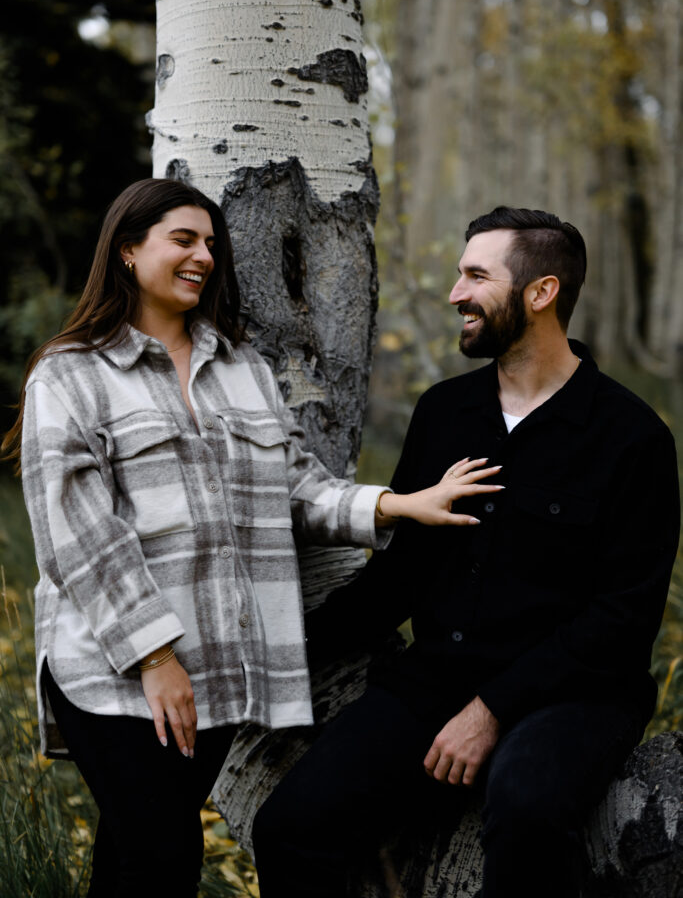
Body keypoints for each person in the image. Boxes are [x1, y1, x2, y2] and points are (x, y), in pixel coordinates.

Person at [1, 178, 503, 897]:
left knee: (134, 857)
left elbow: (298, 489)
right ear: (126, 250)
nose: (204, 254)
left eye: (210, 242)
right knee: (161, 859)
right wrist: (153, 655)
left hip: (219, 670)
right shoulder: (72, 373)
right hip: (114, 671)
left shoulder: (243, 372)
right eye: (183, 238)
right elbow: (75, 530)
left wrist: (400, 504)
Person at [252, 206, 681, 898]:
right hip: (434, 679)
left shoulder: (630, 438)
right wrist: (277, 653)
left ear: (540, 292)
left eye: (475, 276)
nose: (455, 294)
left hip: (573, 694)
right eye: (458, 274)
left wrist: (491, 709)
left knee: (526, 811)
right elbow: (398, 578)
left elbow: (622, 620)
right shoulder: (444, 412)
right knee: (290, 829)